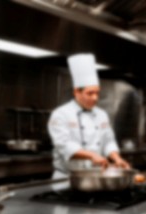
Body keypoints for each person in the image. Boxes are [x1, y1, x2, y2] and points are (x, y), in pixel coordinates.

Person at [48, 53, 130, 181]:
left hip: (95, 178)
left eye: (97, 93)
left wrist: (117, 159)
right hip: (66, 179)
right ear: (76, 92)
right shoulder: (60, 114)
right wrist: (92, 155)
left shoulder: (102, 114)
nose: (95, 98)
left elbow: (108, 142)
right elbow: (64, 145)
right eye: (90, 93)